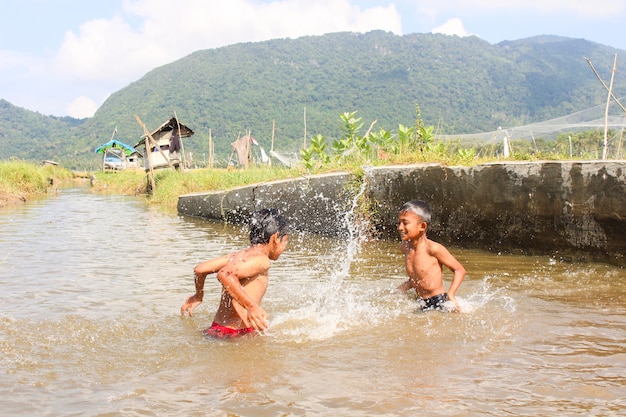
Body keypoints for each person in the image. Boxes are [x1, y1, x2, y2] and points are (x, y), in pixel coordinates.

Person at [180, 208, 289, 338]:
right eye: (286, 240)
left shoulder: (237, 255)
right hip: (237, 334)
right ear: (276, 238)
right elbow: (224, 274)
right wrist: (251, 307)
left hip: (216, 329)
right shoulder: (262, 259)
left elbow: (200, 269)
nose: (285, 247)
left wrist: (198, 295)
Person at [396, 200, 466, 312]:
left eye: (405, 223)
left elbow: (459, 270)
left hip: (438, 301)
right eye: (399, 223)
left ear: (422, 226)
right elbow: (418, 277)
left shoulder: (433, 249)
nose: (400, 227)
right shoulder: (405, 248)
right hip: (419, 301)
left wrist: (451, 294)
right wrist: (400, 289)